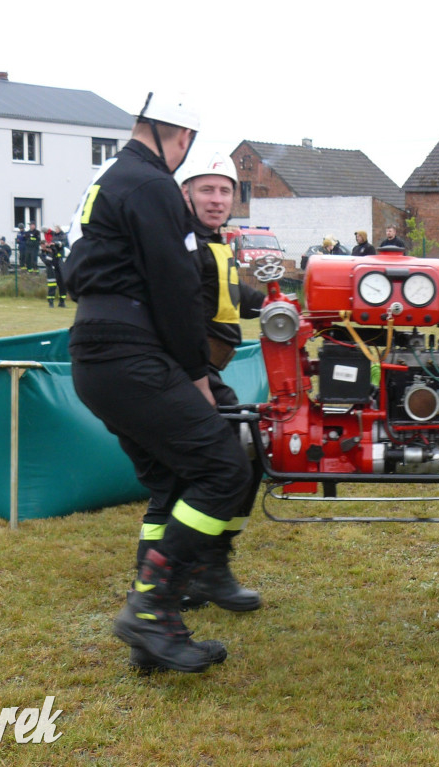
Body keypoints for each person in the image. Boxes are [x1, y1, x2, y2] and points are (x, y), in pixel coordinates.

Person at [64, 91, 247, 674]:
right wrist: (197, 374)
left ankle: (154, 632)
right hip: (131, 355)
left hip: (99, 352)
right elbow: (174, 288)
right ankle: (151, 608)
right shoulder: (152, 186)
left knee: (174, 476)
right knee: (223, 467)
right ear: (182, 138)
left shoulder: (110, 181)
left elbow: (73, 269)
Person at [165, 150, 266, 615]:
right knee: (223, 460)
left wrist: (276, 305)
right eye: (206, 188)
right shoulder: (180, 242)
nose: (217, 198)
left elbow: (229, 297)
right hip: (187, 371)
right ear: (185, 193)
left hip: (207, 370)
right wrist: (196, 375)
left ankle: (209, 566)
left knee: (248, 448)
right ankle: (188, 574)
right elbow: (179, 311)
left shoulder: (213, 242)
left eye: (225, 190)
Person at [39, 236, 67, 308]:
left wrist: (54, 244)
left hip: (59, 269)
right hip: (51, 271)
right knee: (52, 286)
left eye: (45, 244)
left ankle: (62, 302)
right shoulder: (42, 253)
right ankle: (51, 303)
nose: (45, 246)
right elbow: (47, 262)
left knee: (63, 285)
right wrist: (50, 253)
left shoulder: (54, 248)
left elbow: (63, 244)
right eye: (43, 245)